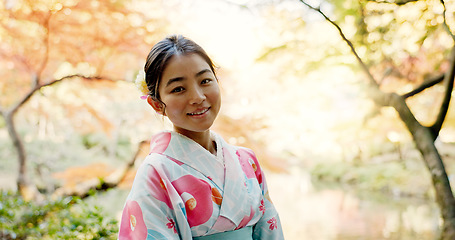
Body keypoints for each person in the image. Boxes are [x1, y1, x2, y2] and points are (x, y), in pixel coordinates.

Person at [119, 35, 284, 240]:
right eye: (178, 89)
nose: (197, 97)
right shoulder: (155, 172)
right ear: (157, 104)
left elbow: (270, 232)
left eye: (205, 81)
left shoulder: (247, 161)